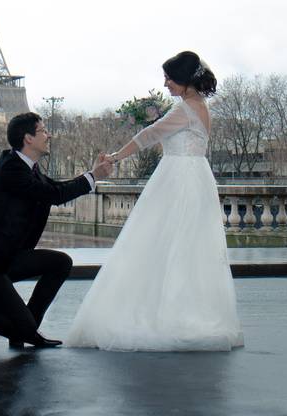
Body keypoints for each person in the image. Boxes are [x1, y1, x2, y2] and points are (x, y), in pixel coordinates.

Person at [64, 51, 244, 351]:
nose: (165, 84)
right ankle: (188, 310)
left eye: (169, 78)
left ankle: (165, 315)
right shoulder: (200, 106)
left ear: (184, 80)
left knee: (157, 242)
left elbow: (149, 135)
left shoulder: (184, 109)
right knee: (187, 247)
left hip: (177, 178)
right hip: (197, 176)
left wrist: (115, 157)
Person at [0, 113, 113, 350]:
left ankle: (25, 329)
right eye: (43, 131)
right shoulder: (11, 170)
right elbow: (54, 196)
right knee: (21, 324)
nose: (48, 135)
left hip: (4, 258)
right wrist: (93, 177)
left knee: (60, 263)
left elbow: (56, 188)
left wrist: (92, 174)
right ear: (28, 138)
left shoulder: (28, 168)